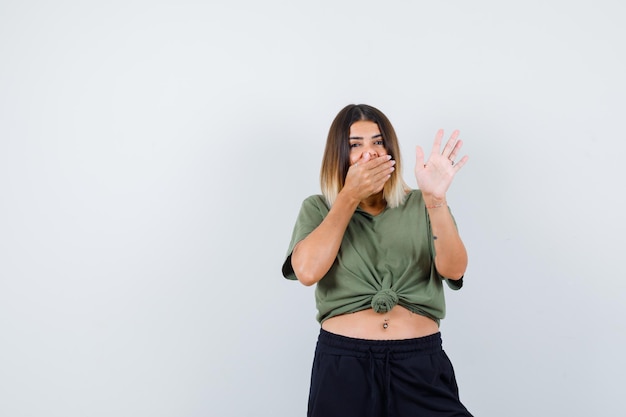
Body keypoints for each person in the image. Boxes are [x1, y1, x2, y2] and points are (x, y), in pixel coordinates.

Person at [282, 104, 473, 417]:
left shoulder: (421, 202)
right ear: (338, 155)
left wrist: (436, 201)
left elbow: (454, 269)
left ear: (391, 150)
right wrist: (348, 196)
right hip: (345, 365)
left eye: (378, 142)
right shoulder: (319, 208)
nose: (369, 153)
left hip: (419, 364)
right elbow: (307, 271)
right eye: (355, 145)